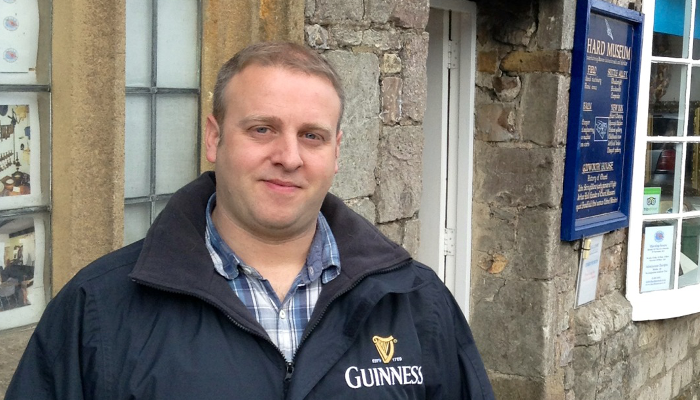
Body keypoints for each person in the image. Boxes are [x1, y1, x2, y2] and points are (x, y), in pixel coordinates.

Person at [6, 42, 494, 399]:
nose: (289, 157)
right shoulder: (98, 309)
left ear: (337, 152)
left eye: (312, 136)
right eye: (262, 129)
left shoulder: (415, 302)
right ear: (214, 138)